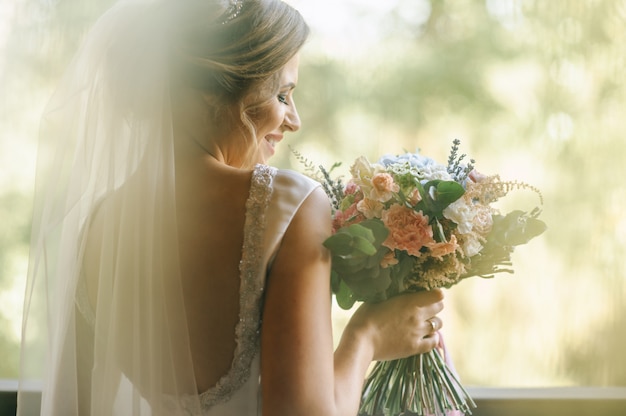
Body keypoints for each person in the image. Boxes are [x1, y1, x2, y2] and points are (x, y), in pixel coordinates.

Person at [17, 0, 445, 415]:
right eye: (282, 94)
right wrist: (365, 337)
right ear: (209, 94)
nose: (293, 120)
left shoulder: (99, 225)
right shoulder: (289, 206)